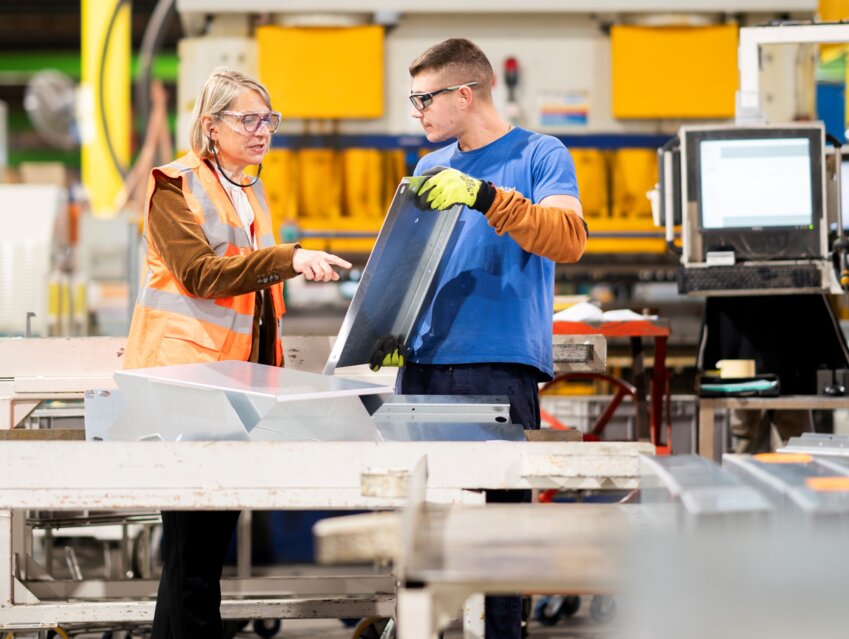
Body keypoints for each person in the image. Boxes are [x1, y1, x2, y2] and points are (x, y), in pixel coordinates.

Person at [122, 67, 351, 638]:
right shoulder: (173, 185)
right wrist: (289, 257)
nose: (262, 131)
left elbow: (256, 302)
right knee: (194, 551)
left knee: (199, 553)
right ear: (210, 125)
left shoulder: (246, 190)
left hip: (231, 386)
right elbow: (200, 275)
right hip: (185, 383)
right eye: (247, 119)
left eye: (268, 120)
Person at [395, 38, 587, 639]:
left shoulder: (540, 154)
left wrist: (483, 196)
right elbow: (404, 266)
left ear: (464, 94)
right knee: (421, 536)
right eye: (413, 99)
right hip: (423, 367)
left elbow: (567, 237)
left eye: (425, 98)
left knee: (499, 539)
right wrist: (387, 328)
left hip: (497, 368)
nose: (418, 112)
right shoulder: (429, 168)